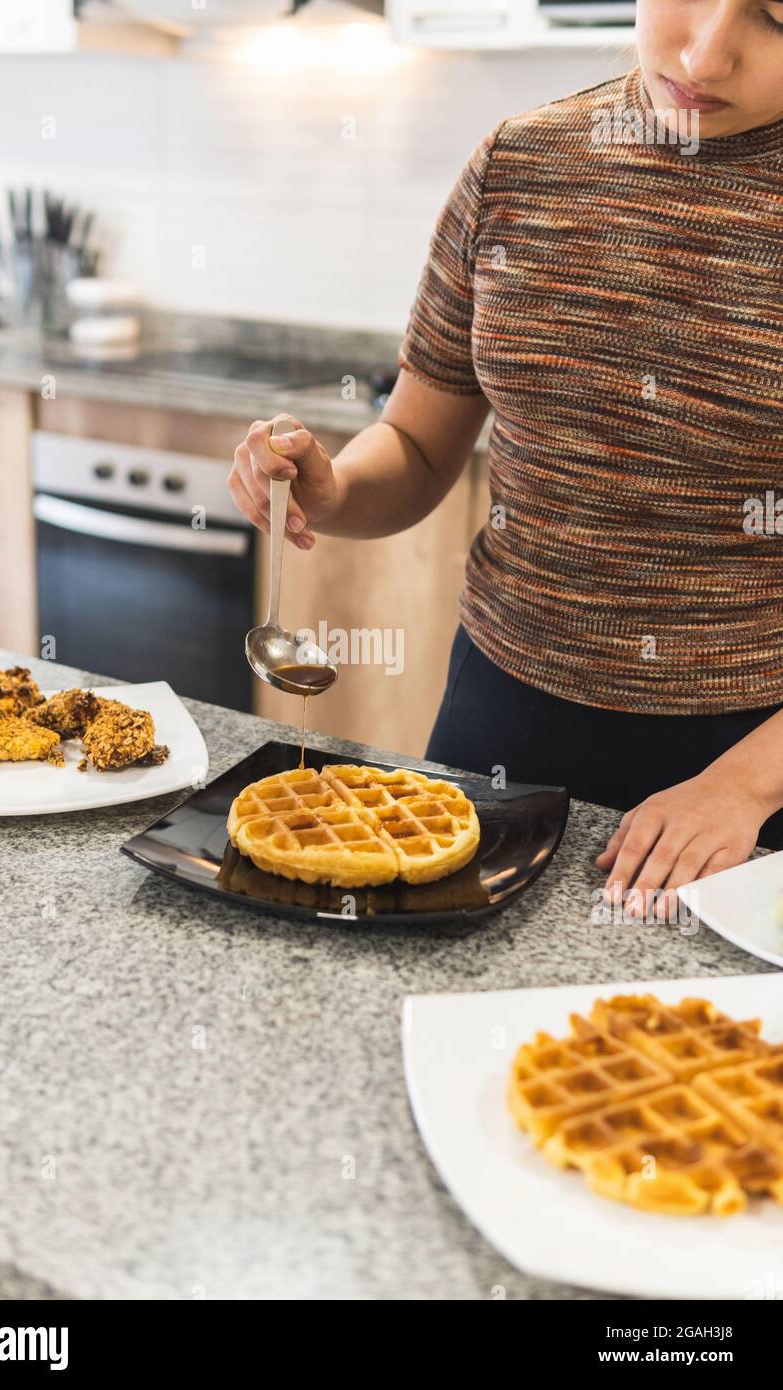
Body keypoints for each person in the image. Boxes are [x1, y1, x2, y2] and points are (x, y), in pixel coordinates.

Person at [229, 0, 783, 921]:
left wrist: (745, 788)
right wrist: (330, 489)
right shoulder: (523, 161)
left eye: (775, 20)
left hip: (746, 761)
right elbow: (412, 445)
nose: (703, 52)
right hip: (501, 715)